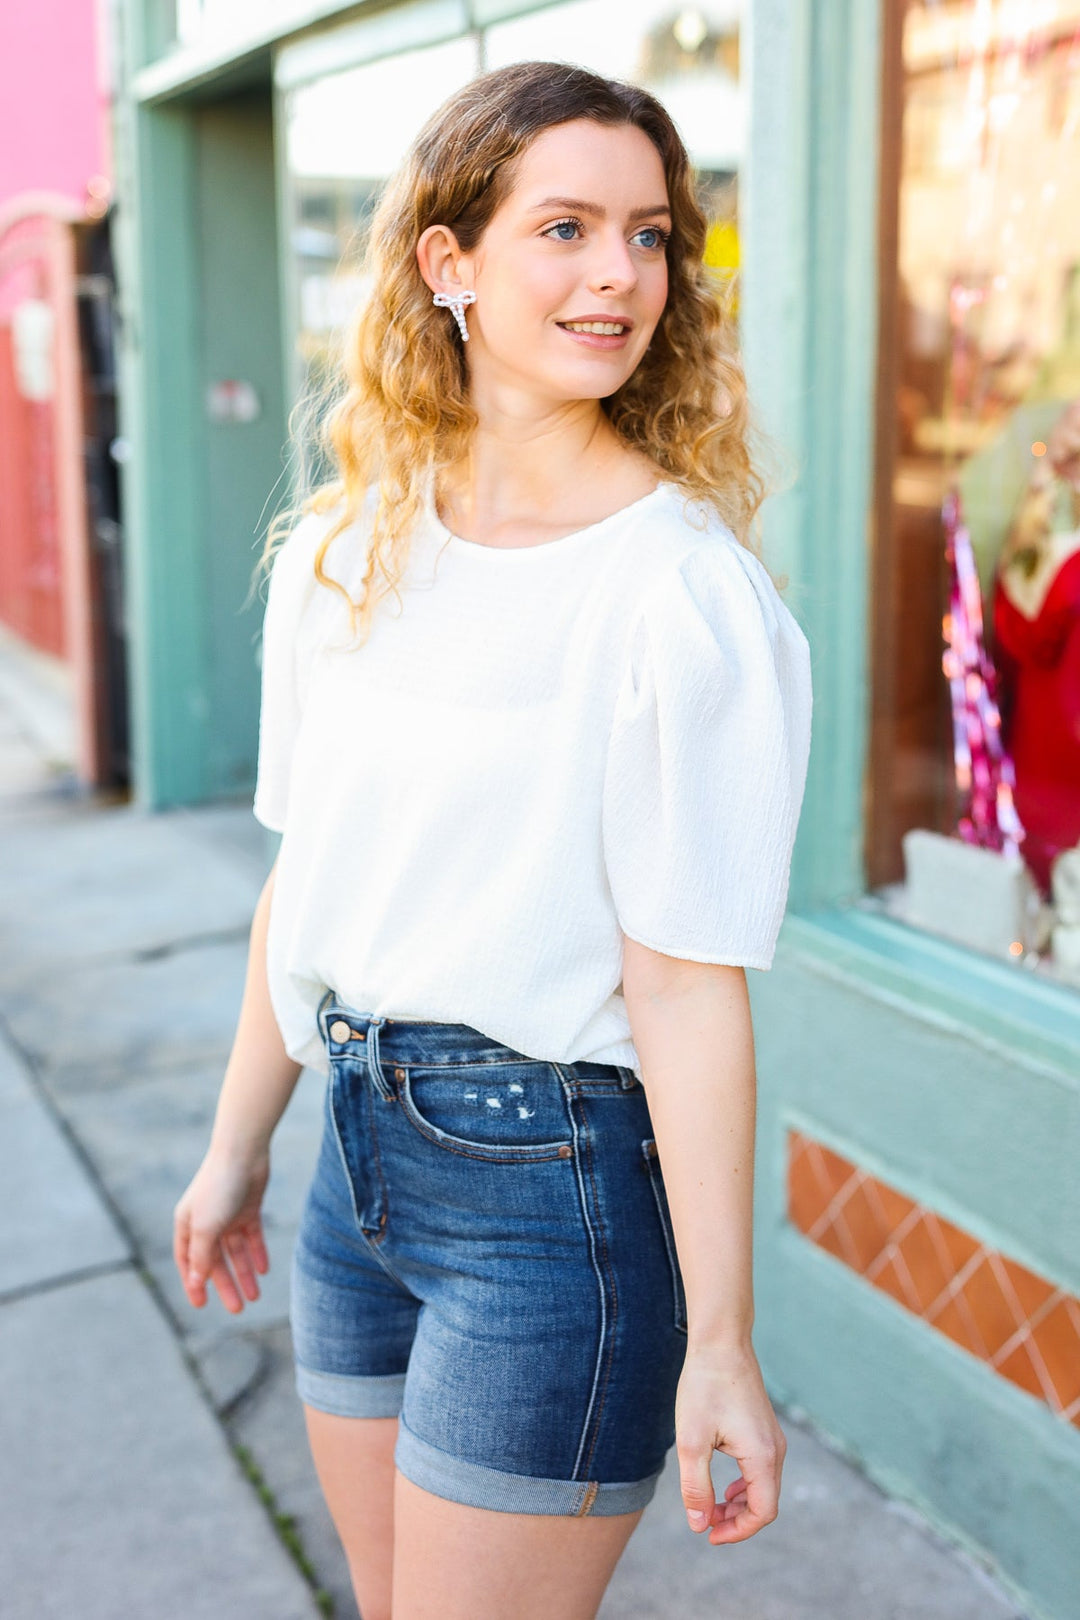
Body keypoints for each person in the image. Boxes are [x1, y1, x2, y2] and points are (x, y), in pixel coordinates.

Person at [172, 60, 812, 1620]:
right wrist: (235, 1144)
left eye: (651, 236)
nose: (620, 275)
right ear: (447, 264)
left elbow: (685, 988)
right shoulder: (345, 548)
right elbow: (302, 886)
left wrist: (723, 1342)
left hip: (555, 1197)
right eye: (568, 228)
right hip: (354, 1164)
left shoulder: (680, 594)